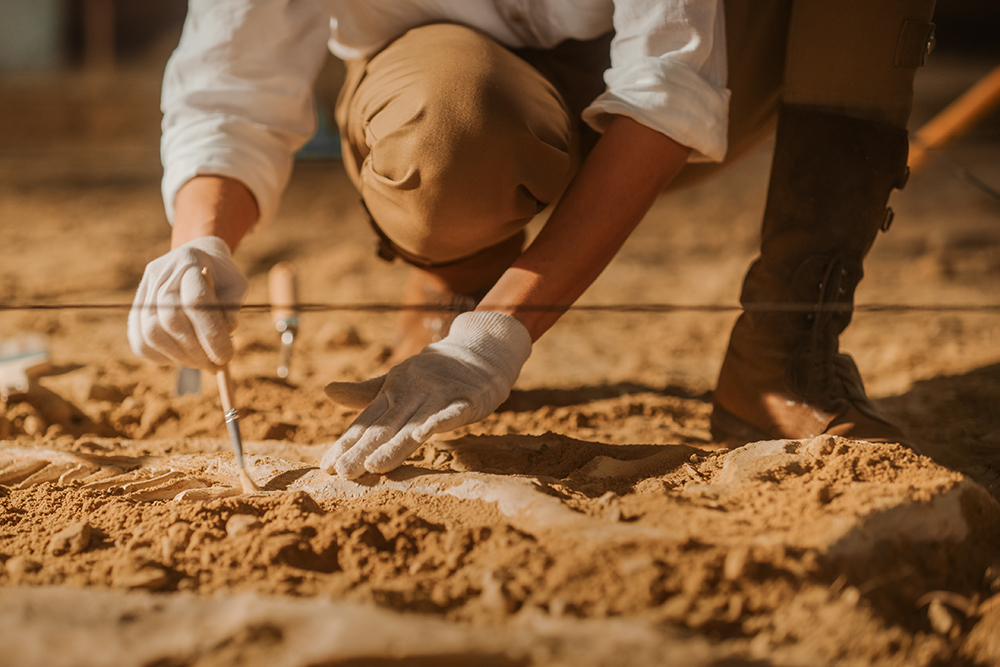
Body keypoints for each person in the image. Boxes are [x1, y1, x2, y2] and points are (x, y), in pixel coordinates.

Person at [129, 1, 937, 479]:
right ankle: (456, 272)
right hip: (451, 91)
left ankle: (786, 340)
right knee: (450, 124)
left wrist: (499, 334)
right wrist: (200, 242)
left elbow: (669, 89)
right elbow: (230, 86)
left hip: (707, 80)